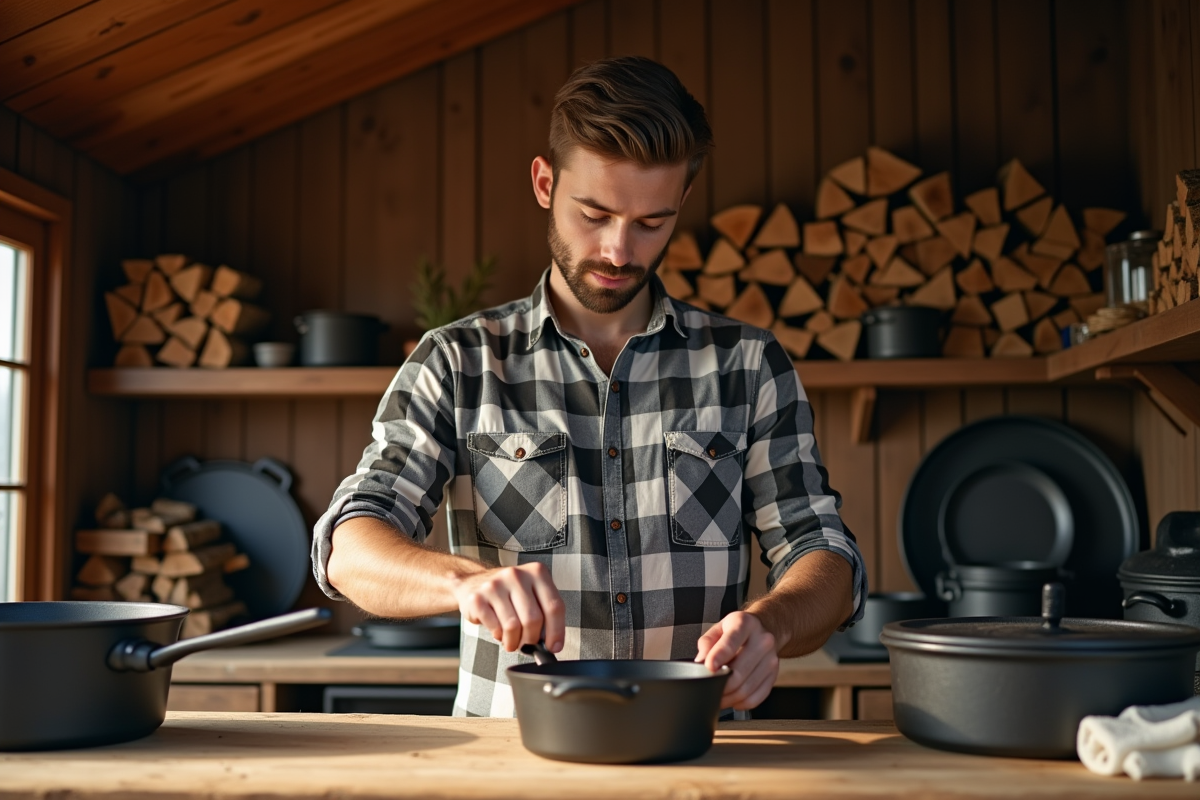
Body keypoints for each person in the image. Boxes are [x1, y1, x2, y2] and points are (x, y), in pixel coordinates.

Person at [313, 55, 867, 718]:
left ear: (682, 202)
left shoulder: (748, 364)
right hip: (508, 755)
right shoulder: (457, 362)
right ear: (545, 183)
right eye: (594, 213)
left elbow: (823, 552)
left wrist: (770, 624)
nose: (618, 251)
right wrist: (466, 583)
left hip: (699, 749)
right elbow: (350, 547)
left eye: (651, 223)